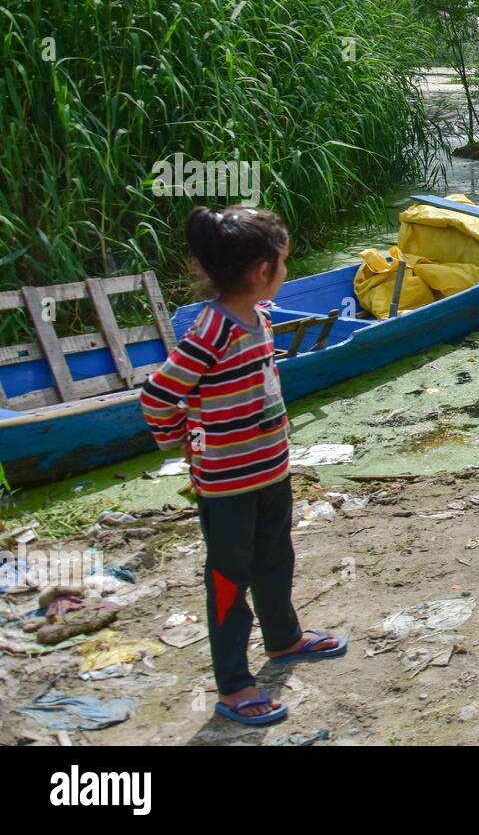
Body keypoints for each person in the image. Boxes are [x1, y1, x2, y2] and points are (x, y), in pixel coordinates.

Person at [139, 206, 347, 726]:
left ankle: (283, 638)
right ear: (261, 271)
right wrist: (180, 441)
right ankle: (234, 684)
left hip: (270, 471)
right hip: (226, 483)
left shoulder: (261, 317)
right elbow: (158, 395)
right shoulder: (213, 330)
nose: (285, 271)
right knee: (229, 578)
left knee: (276, 556)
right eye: (282, 263)